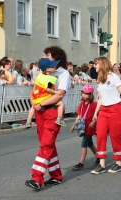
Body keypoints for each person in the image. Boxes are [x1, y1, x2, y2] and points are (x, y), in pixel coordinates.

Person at [25, 46, 70, 190]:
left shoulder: (63, 74)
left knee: (46, 144)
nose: (45, 57)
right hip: (40, 110)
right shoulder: (43, 72)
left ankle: (36, 178)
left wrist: (41, 103)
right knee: (48, 144)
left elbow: (59, 94)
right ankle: (56, 176)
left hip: (53, 111)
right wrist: (36, 102)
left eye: (48, 55)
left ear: (56, 58)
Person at [90, 57, 121, 174]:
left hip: (116, 109)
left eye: (96, 64)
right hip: (104, 110)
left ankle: (118, 163)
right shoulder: (100, 79)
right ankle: (102, 164)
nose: (95, 66)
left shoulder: (113, 77)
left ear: (102, 64)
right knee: (101, 135)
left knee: (115, 136)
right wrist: (95, 113)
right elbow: (100, 98)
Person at [26, 58, 66, 128]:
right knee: (61, 103)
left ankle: (28, 121)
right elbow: (48, 89)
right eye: (53, 66)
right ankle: (59, 118)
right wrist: (56, 91)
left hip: (36, 97)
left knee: (33, 107)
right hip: (44, 97)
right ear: (47, 69)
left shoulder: (39, 76)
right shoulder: (50, 78)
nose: (55, 67)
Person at [69, 84, 100, 170]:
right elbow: (79, 116)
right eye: (83, 93)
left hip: (89, 126)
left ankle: (81, 163)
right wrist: (73, 126)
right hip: (83, 126)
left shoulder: (93, 104)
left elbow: (98, 115)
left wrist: (94, 121)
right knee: (90, 144)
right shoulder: (82, 104)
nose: (83, 95)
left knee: (84, 144)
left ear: (91, 95)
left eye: (86, 93)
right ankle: (99, 157)